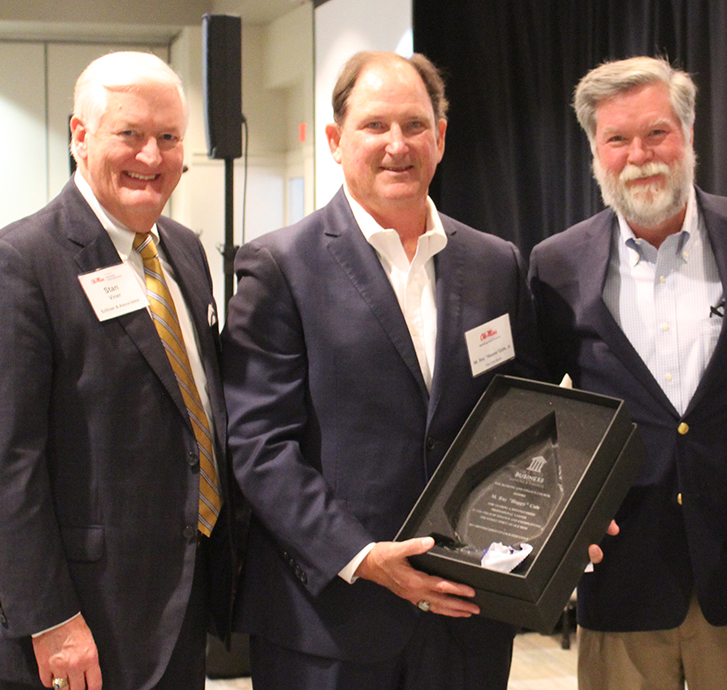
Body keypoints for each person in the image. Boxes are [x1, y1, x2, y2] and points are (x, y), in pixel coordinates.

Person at [221, 51, 548, 689]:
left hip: (466, 616)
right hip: (329, 620)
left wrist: (557, 521)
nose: (397, 145)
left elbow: (526, 417)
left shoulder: (495, 262)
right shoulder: (279, 265)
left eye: (414, 125)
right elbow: (259, 446)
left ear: (441, 138)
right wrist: (363, 557)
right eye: (375, 126)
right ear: (336, 141)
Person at [529, 56, 727, 690]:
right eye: (617, 139)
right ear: (594, 151)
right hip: (620, 574)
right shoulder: (556, 265)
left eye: (657, 132)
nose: (640, 154)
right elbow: (531, 415)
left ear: (688, 135)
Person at [0, 51, 239, 690]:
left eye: (168, 138)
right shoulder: (17, 264)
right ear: (81, 136)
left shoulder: (185, 252)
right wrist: (50, 619)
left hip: (178, 600)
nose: (152, 157)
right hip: (78, 620)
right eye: (130, 135)